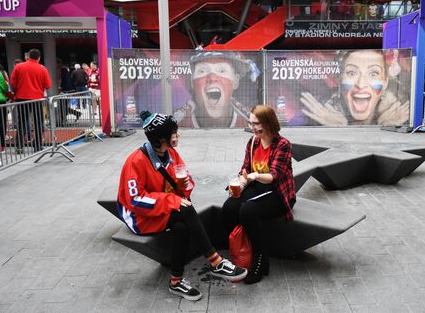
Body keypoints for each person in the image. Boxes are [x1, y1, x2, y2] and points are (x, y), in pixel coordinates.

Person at [117, 111, 247, 301]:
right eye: (174, 133)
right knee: (185, 210)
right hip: (139, 217)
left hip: (161, 209)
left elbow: (187, 180)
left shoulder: (172, 154)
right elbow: (136, 200)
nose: (178, 136)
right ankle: (215, 261)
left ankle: (176, 282)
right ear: (160, 139)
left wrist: (184, 186)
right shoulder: (136, 161)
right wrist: (174, 200)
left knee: (181, 227)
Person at [222, 105, 295, 284]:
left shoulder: (282, 145)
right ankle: (241, 249)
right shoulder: (253, 142)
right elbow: (246, 168)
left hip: (278, 193)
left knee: (248, 210)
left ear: (268, 123)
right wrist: (242, 182)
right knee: (229, 206)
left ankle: (260, 260)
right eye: (251, 123)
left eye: (256, 123)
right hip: (258, 189)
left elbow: (274, 176)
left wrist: (254, 176)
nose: (252, 127)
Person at [299, 49, 410, 126]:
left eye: (373, 74)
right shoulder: (312, 112)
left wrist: (387, 127)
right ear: (339, 79)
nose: (361, 84)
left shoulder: (403, 113)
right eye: (352, 73)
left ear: (385, 81)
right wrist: (334, 130)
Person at [174, 52, 259, 128]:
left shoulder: (252, 120)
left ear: (236, 81)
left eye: (222, 70)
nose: (212, 78)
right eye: (202, 71)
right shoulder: (177, 124)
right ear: (192, 82)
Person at [10, 49, 52, 153]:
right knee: (38, 122)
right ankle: (37, 146)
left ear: (28, 56)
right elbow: (48, 85)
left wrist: (17, 92)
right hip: (37, 98)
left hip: (22, 98)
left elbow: (13, 83)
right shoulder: (42, 69)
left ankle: (19, 146)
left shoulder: (19, 67)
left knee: (22, 122)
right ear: (39, 58)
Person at [56, 58, 81, 126]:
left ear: (58, 63)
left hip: (66, 91)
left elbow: (64, 81)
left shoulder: (63, 70)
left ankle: (63, 120)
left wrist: (61, 88)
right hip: (67, 91)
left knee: (62, 107)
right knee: (63, 106)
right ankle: (76, 113)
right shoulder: (64, 70)